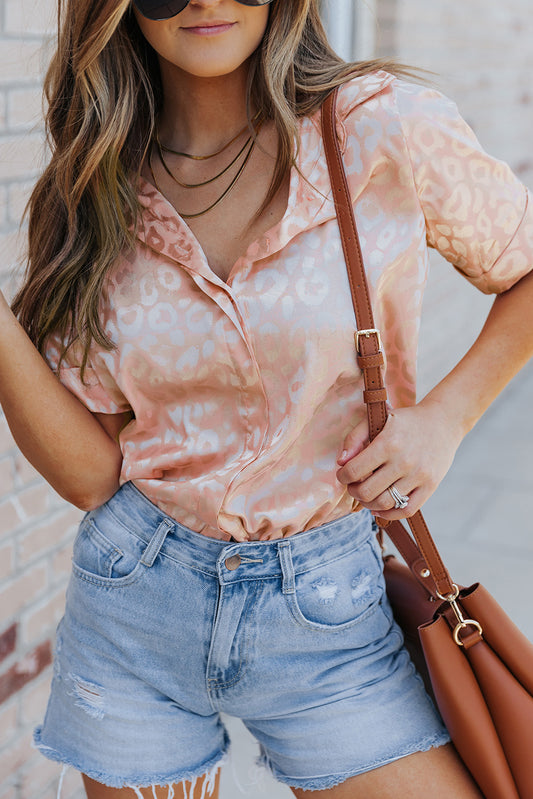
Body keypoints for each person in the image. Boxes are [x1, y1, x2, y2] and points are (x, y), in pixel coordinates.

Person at [3, 0, 533, 796]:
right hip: (137, 608)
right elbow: (90, 475)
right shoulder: (93, 186)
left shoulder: (377, 127)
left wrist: (446, 417)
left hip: (330, 616)